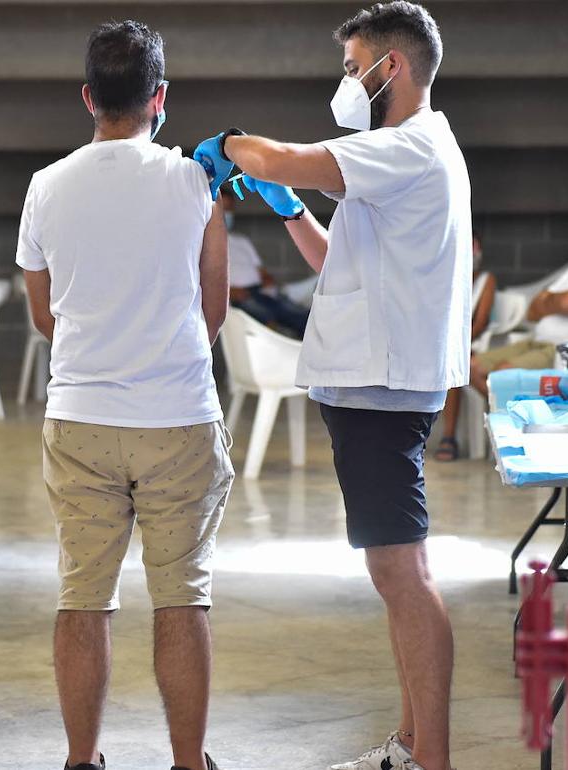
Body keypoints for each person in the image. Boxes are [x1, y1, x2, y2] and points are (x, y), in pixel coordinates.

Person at [195, 3, 464, 769]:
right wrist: (285, 212)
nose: (347, 83)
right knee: (399, 573)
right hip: (372, 387)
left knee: (401, 574)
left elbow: (284, 156)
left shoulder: (406, 146)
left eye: (353, 68)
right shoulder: (394, 157)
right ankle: (412, 744)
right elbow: (332, 261)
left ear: (394, 67)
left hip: (382, 389)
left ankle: (430, 758)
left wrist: (228, 148)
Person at [18, 21, 232, 770]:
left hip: (79, 416)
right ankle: (187, 762)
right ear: (160, 99)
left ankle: (82, 759)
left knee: (83, 596)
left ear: (88, 99)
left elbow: (44, 316)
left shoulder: (45, 187)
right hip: (177, 416)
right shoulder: (194, 180)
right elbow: (216, 311)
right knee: (183, 597)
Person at [468, 208, 568, 397]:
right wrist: (565, 301)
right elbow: (533, 310)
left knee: (502, 373)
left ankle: (507, 409)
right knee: (471, 366)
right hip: (536, 340)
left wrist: (555, 301)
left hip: (563, 350)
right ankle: (505, 407)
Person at [435, 231, 494, 461]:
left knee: (453, 367)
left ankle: (449, 437)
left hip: (470, 345)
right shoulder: (441, 277)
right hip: (440, 343)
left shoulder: (485, 280)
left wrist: (456, 343)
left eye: (474, 246)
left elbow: (480, 322)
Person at [223, 192, 309, 337]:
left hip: (261, 291)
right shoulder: (206, 244)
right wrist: (230, 292)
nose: (227, 214)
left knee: (300, 315)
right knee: (266, 319)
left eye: (230, 208)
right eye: (223, 209)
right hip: (238, 297)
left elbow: (262, 271)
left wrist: (268, 282)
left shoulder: (242, 241)